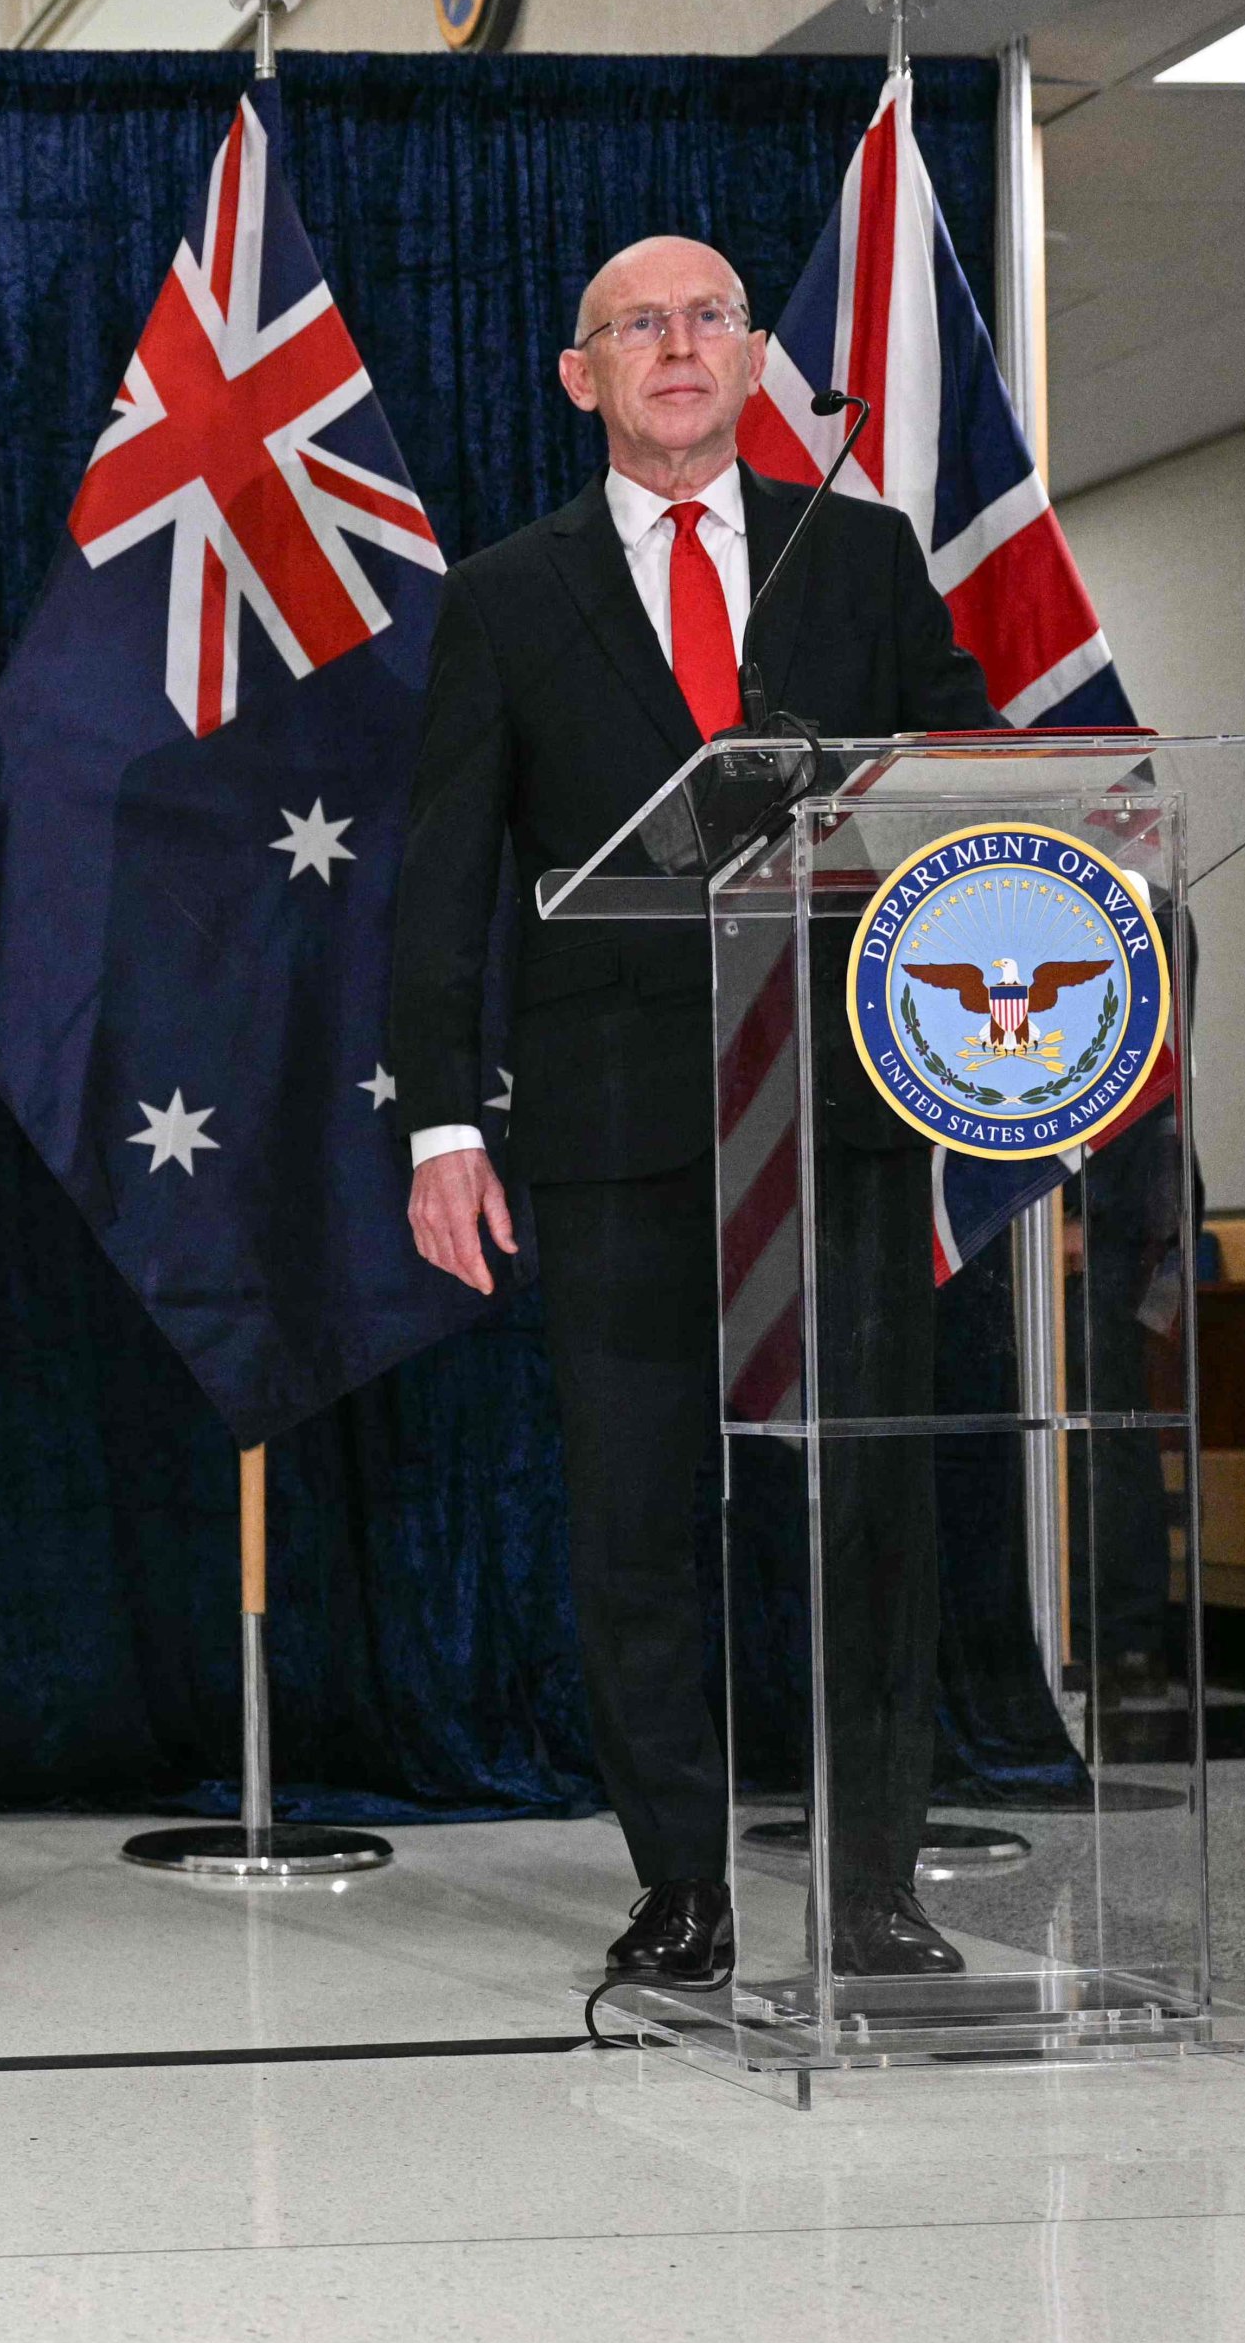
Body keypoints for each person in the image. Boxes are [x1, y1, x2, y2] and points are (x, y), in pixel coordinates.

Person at [387, 235, 991, 1989]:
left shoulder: (858, 557)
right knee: (639, 1510)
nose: (676, 345)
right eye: (636, 325)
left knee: (867, 1506)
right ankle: (684, 1887)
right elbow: (441, 884)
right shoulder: (508, 591)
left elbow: (956, 803)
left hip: (850, 1114)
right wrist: (442, 1125)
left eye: (709, 318)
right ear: (581, 377)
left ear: (752, 365)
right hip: (615, 1124)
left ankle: (875, 1883)